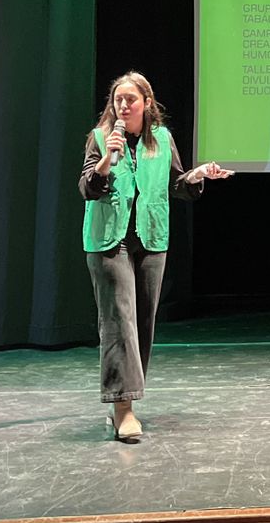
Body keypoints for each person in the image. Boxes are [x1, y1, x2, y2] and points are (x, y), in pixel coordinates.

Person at [78, 71, 234, 441]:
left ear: (147, 103)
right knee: (120, 322)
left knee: (143, 324)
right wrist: (106, 160)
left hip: (150, 238)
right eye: (118, 99)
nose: (123, 105)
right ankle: (123, 410)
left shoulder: (162, 139)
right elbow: (87, 187)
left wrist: (197, 174)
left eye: (131, 99)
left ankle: (125, 401)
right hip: (107, 241)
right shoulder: (101, 139)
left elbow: (176, 185)